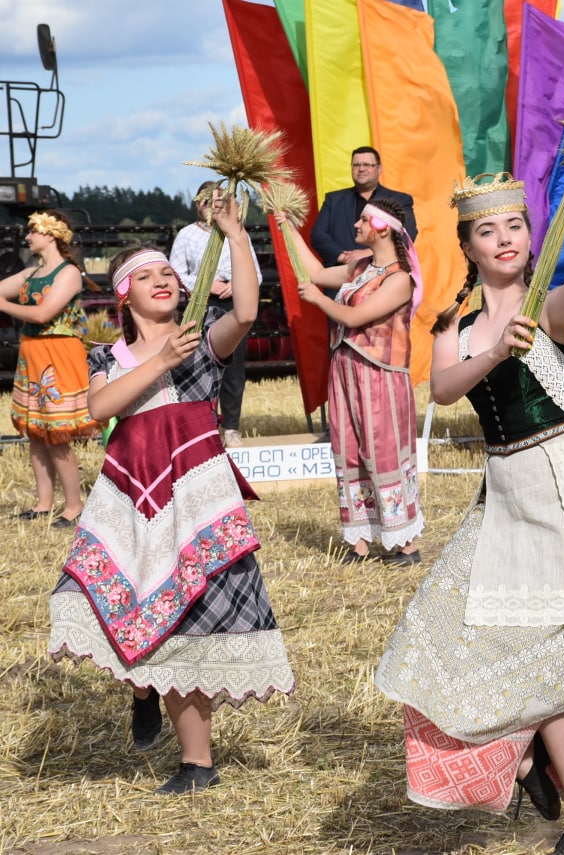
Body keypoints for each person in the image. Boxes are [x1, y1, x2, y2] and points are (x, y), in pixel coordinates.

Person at [374, 162, 564, 855]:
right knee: (436, 631)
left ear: (532, 235)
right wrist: (497, 348)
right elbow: (443, 388)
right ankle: (526, 759)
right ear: (467, 246)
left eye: (516, 226)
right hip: (503, 495)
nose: (505, 238)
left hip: (562, 488)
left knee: (547, 661)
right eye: (488, 230)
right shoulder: (457, 325)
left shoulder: (549, 309)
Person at [46, 191, 294, 794]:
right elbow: (98, 408)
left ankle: (196, 763)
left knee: (190, 623)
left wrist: (236, 232)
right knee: (116, 604)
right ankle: (142, 690)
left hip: (195, 498)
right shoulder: (108, 355)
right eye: (145, 275)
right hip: (129, 499)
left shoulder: (202, 339)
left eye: (167, 272)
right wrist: (159, 362)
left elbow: (245, 310)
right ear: (122, 295)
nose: (161, 280)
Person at [278, 197, 423, 563]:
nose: (356, 225)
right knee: (349, 448)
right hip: (345, 366)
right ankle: (359, 542)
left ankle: (405, 543)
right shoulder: (360, 266)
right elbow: (313, 271)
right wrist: (286, 226)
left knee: (383, 449)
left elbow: (356, 317)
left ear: (383, 229)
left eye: (364, 220)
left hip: (380, 373)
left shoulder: (400, 279)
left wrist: (317, 300)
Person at [0, 211, 99, 526]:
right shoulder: (31, 273)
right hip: (32, 353)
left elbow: (43, 314)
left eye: (32, 231)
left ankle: (74, 506)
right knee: (36, 431)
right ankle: (44, 503)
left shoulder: (69, 273)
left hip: (57, 355)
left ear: (51, 234)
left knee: (56, 434)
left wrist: (3, 305)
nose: (27, 237)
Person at [169, 180, 263, 447]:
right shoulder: (187, 235)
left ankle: (231, 427)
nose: (209, 206)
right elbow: (175, 274)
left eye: (216, 201)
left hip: (233, 304)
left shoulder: (238, 233)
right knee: (198, 364)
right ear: (197, 204)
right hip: (200, 302)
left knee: (233, 367)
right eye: (205, 201)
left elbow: (255, 273)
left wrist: (236, 285)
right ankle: (204, 426)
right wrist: (205, 283)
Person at [310, 146, 417, 267]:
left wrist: (369, 254)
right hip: (342, 272)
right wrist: (344, 258)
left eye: (367, 165)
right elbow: (318, 235)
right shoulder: (333, 200)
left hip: (384, 272)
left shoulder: (400, 200)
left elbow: (407, 234)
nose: (361, 169)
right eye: (356, 165)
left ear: (379, 169)